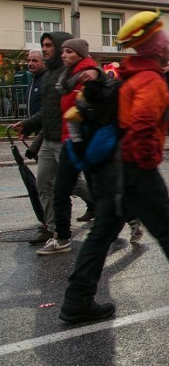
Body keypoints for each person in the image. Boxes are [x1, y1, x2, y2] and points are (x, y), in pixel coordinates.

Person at [58, 11, 169, 323]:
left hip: (115, 171)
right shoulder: (149, 78)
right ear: (153, 45)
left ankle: (77, 299)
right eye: (163, 38)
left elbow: (136, 117)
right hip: (135, 171)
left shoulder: (132, 74)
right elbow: (141, 124)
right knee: (168, 231)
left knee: (103, 234)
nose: (167, 43)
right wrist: (147, 163)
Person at [11, 32, 95, 248]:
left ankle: (116, 210)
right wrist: (28, 126)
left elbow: (65, 111)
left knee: (71, 185)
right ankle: (54, 229)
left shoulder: (68, 74)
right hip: (50, 139)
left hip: (66, 140)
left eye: (48, 45)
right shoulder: (49, 75)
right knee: (44, 184)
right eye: (43, 45)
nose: (45, 49)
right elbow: (49, 113)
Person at [47, 38, 103, 255]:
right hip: (71, 141)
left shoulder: (88, 73)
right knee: (60, 189)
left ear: (80, 54)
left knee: (99, 191)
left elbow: (104, 91)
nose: (63, 55)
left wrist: (98, 74)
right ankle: (62, 238)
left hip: (87, 143)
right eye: (63, 51)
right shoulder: (67, 76)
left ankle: (130, 217)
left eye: (69, 52)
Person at [25, 49, 47, 118]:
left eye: (35, 61)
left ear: (44, 62)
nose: (30, 64)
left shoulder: (48, 80)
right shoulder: (32, 80)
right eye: (29, 60)